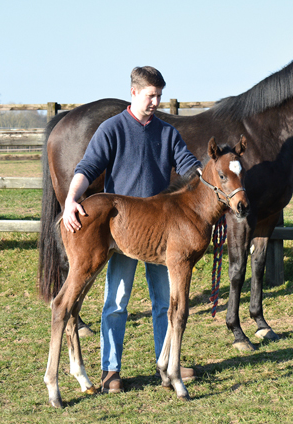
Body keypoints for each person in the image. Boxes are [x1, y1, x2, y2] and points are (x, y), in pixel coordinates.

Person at [62, 66, 202, 393]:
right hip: (122, 227)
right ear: (134, 92)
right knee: (116, 301)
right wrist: (71, 199)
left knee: (164, 301)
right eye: (150, 95)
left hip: (160, 228)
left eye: (159, 96)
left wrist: (216, 184)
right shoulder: (112, 128)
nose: (155, 101)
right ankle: (110, 370)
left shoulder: (166, 132)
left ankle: (166, 362)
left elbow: (189, 169)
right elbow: (88, 167)